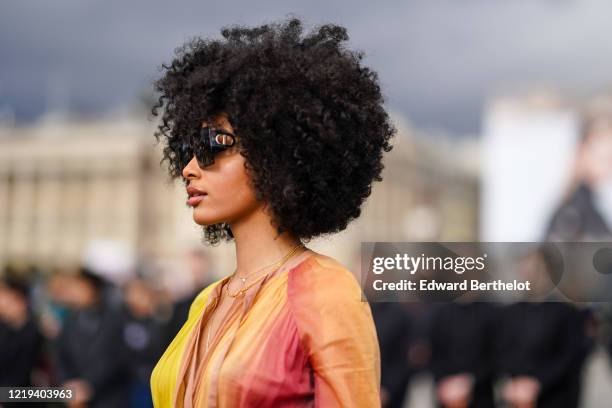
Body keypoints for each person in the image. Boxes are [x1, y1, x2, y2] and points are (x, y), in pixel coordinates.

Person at [149, 17, 395, 407]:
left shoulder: (327, 290)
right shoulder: (206, 300)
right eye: (188, 150)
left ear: (274, 151)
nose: (190, 167)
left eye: (215, 144)